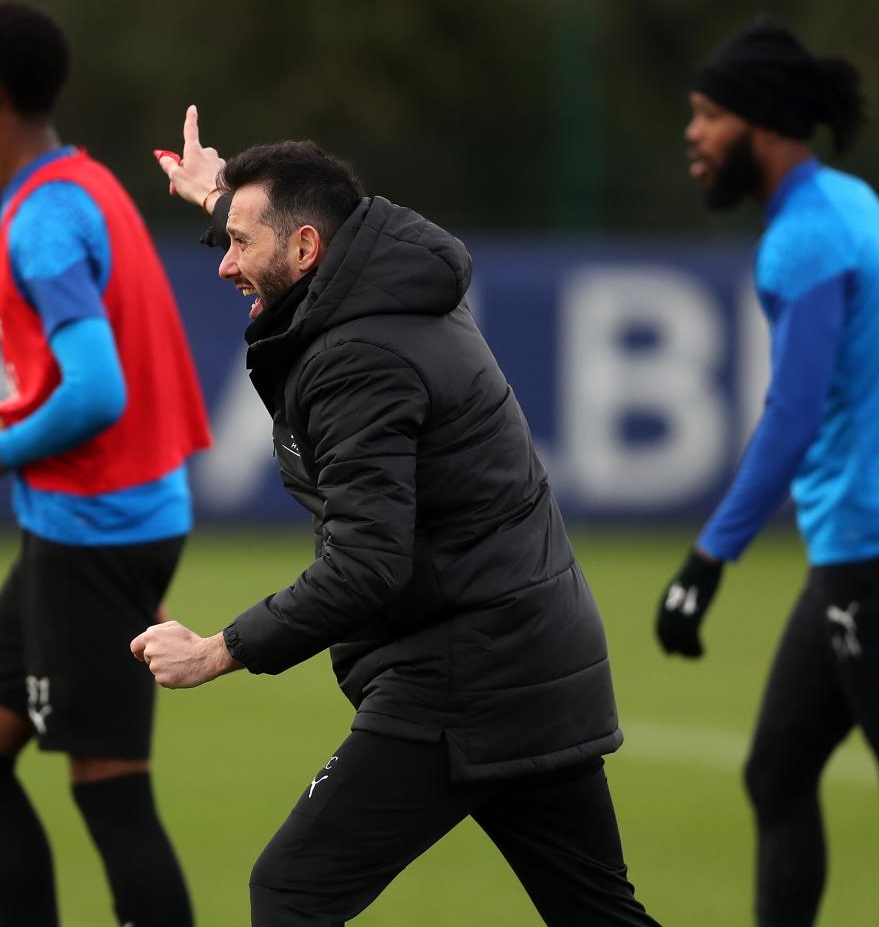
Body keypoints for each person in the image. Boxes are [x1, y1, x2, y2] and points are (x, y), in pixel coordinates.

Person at [133, 108, 660, 927]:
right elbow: (296, 226)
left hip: (463, 675)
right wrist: (222, 196)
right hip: (532, 655)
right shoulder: (389, 280)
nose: (225, 264)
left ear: (306, 249)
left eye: (239, 242)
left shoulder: (358, 358)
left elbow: (367, 564)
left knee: (292, 889)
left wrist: (218, 650)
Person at [0, 0, 211, 927]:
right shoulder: (81, 184)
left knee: (112, 792)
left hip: (97, 530)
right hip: (97, 525)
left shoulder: (45, 219)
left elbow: (96, 392)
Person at [658, 17, 879, 926]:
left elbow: (793, 415)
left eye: (708, 114)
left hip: (875, 555)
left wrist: (707, 559)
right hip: (861, 546)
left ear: (760, 123)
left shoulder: (805, 237)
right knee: (778, 770)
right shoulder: (853, 202)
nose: (693, 133)